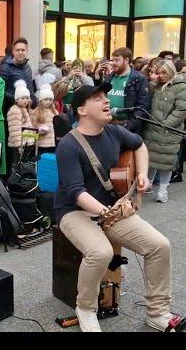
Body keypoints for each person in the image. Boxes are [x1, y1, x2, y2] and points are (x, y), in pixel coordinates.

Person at [54, 83, 173, 332]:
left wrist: (141, 174)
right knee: (100, 252)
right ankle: (85, 308)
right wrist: (106, 213)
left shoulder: (114, 132)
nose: (106, 101)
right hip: (74, 211)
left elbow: (139, 144)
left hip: (109, 208)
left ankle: (158, 313)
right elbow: (76, 193)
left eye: (105, 96)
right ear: (82, 110)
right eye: (97, 98)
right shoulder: (68, 145)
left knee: (159, 246)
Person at [142, 60, 186, 202]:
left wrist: (166, 123)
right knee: (150, 158)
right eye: (159, 72)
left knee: (166, 161)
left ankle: (163, 190)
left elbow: (182, 109)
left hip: (169, 130)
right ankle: (148, 183)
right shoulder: (156, 86)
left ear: (171, 71)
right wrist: (152, 82)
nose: (161, 76)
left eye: (164, 72)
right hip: (152, 128)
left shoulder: (180, 86)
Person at [104, 47, 151, 135]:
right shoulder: (109, 78)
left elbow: (142, 107)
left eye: (116, 60)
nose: (113, 63)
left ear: (126, 60)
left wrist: (128, 125)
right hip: (108, 125)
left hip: (128, 129)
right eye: (112, 60)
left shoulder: (138, 79)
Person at [6, 80, 35, 174]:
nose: (25, 100)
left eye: (27, 98)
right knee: (16, 164)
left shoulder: (25, 109)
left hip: (26, 143)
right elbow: (15, 129)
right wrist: (19, 145)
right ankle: (13, 181)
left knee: (23, 164)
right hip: (18, 144)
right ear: (16, 99)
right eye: (22, 98)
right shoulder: (15, 110)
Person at [0, 38, 35, 112]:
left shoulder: (27, 67)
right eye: (18, 50)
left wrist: (35, 105)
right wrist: (18, 99)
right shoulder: (5, 68)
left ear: (27, 51)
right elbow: (1, 90)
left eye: (23, 50)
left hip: (26, 110)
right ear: (13, 51)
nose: (20, 52)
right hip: (10, 110)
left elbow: (30, 89)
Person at [30, 83, 58, 156]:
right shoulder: (36, 113)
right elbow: (32, 128)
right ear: (41, 100)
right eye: (45, 99)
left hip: (53, 143)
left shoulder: (54, 112)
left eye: (50, 99)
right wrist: (40, 130)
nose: (48, 101)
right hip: (41, 144)